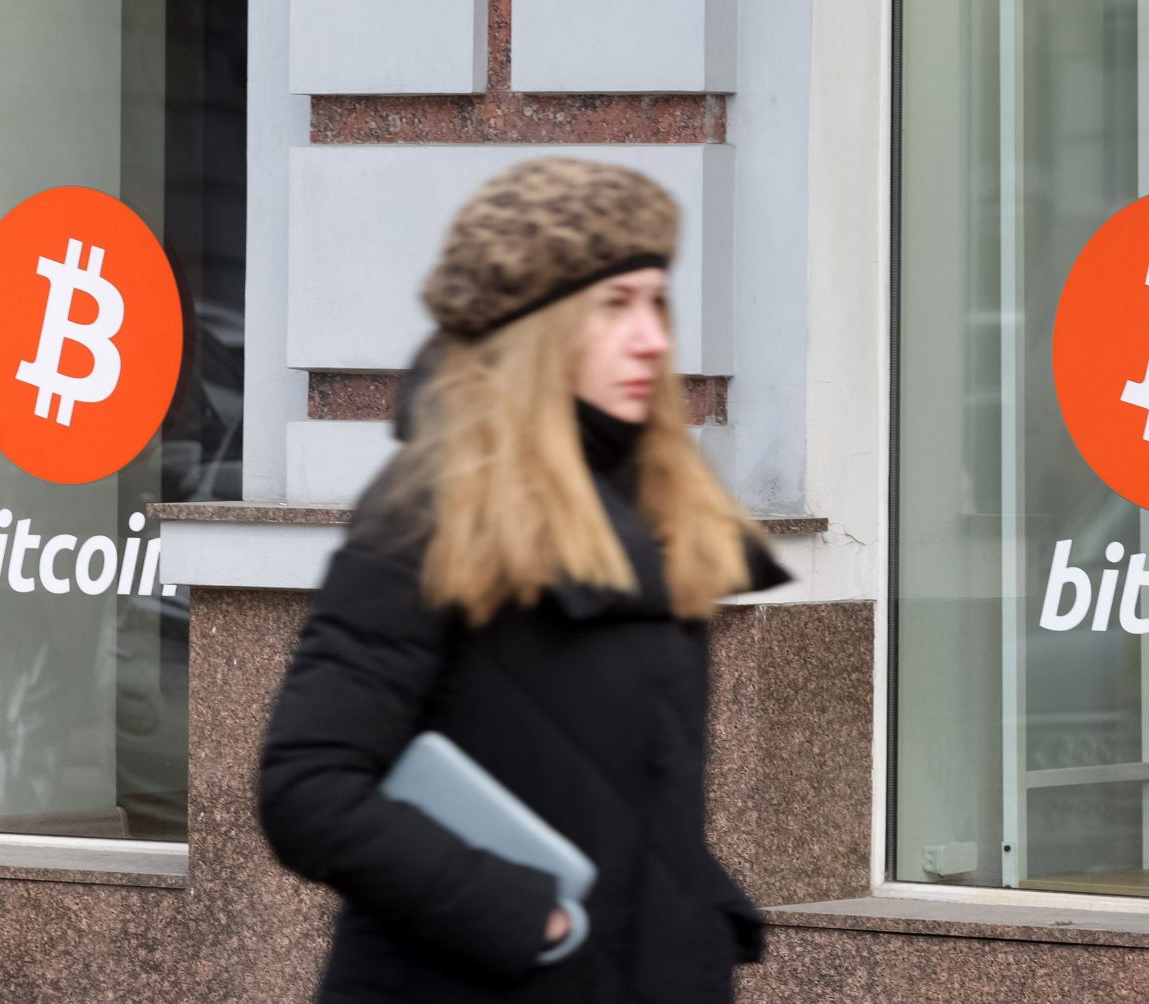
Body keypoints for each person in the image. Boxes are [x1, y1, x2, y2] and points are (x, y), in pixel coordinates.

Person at [258, 157, 790, 1003]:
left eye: (657, 301)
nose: (652, 336)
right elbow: (308, 788)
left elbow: (607, 778)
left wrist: (689, 907)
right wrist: (528, 916)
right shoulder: (432, 508)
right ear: (532, 327)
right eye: (614, 306)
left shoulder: (649, 504)